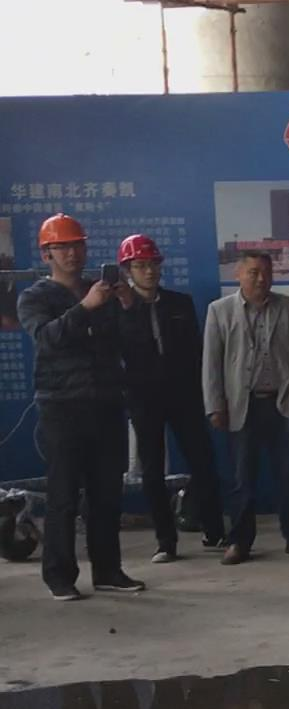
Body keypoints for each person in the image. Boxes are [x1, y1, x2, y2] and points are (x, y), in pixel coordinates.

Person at [16, 214, 144, 600]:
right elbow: (47, 338)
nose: (72, 253)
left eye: (77, 245)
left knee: (107, 494)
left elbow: (129, 343)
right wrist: (85, 308)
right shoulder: (35, 297)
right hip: (62, 408)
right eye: (62, 247)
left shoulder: (102, 291)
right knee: (64, 496)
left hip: (106, 404)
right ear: (46, 254)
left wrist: (127, 306)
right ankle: (59, 576)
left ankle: (107, 570)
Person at [203, 251, 289, 564]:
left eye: (267, 273)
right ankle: (240, 541)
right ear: (238, 274)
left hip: (283, 404)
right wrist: (215, 406)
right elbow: (211, 364)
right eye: (253, 272)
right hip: (241, 405)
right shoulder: (219, 311)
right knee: (242, 478)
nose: (261, 279)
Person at [114, 234, 226, 563]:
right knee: (152, 471)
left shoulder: (180, 303)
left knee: (203, 461)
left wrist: (203, 393)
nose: (149, 271)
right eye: (140, 265)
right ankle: (166, 542)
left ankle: (215, 530)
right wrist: (130, 308)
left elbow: (195, 351)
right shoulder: (118, 309)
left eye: (153, 264)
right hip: (143, 398)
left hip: (183, 394)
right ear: (127, 271)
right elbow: (124, 350)